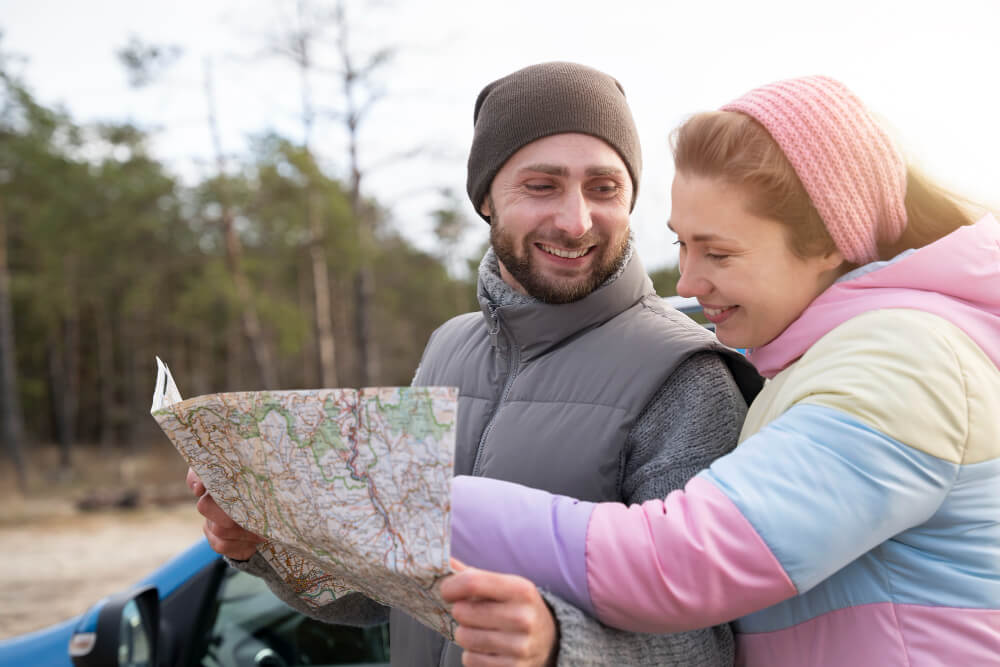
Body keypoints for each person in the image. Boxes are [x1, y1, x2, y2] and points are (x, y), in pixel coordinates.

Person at [187, 61, 762, 667]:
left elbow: (709, 645)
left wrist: (559, 646)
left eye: (604, 188)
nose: (575, 219)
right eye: (541, 186)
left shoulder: (686, 377)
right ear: (486, 197)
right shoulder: (447, 349)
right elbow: (387, 589)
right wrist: (265, 548)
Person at [443, 75, 1000, 666]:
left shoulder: (905, 361)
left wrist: (414, 502)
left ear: (829, 243)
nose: (686, 282)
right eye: (682, 244)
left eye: (719, 252)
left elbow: (674, 564)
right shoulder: (827, 361)